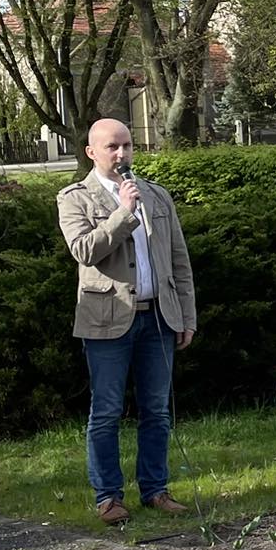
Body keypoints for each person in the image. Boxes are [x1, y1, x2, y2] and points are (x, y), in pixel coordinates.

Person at [57, 118, 198, 524]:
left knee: (156, 410)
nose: (121, 155)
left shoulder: (156, 195)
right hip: (107, 321)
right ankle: (108, 497)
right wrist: (122, 212)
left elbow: (178, 260)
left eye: (127, 146)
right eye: (112, 147)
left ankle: (155, 489)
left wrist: (186, 314)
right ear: (91, 152)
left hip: (159, 318)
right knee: (106, 411)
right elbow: (84, 250)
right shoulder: (75, 198)